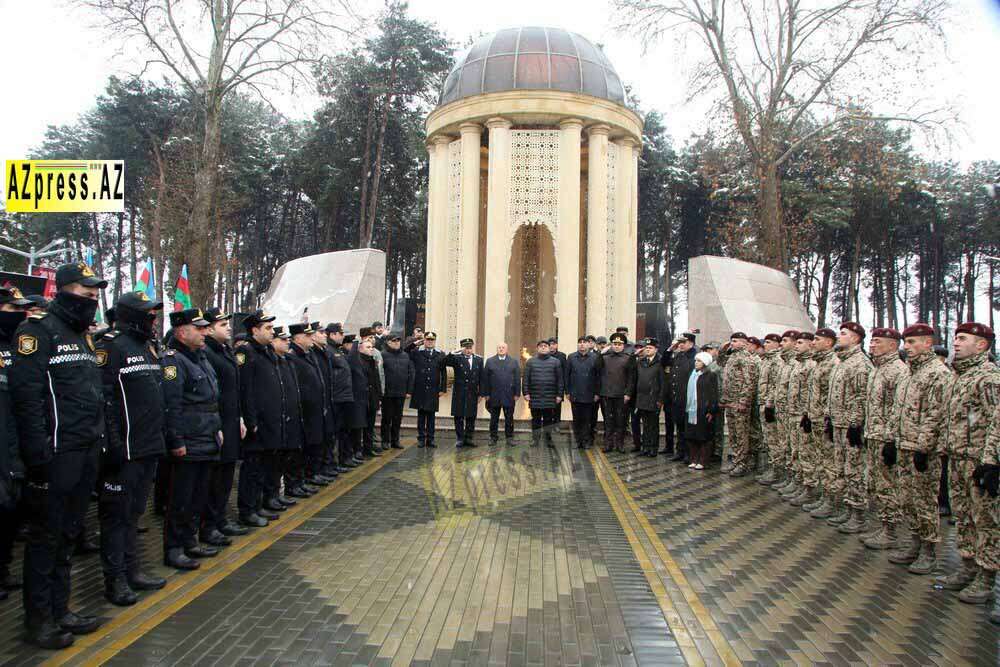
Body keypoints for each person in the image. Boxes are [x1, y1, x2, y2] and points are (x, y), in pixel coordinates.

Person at [12, 262, 108, 648]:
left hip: (85, 450)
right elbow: (26, 398)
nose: (92, 300)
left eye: (95, 295)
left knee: (68, 534)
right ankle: (39, 620)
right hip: (55, 454)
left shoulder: (82, 336)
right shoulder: (37, 332)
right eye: (86, 294)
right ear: (64, 291)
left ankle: (60, 608)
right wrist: (38, 456)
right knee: (45, 538)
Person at [95, 291, 168, 606]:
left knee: (134, 516)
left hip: (148, 447)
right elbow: (104, 399)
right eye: (147, 313)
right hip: (123, 451)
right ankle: (115, 580)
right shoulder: (111, 346)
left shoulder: (146, 347)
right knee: (116, 517)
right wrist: (113, 446)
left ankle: (132, 570)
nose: (153, 319)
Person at [935, 322, 998, 602]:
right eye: (956, 338)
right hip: (957, 457)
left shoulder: (989, 378)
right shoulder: (959, 376)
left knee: (985, 521)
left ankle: (986, 578)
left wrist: (992, 462)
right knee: (963, 517)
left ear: (981, 344)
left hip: (978, 462)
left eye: (963, 338)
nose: (956, 343)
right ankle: (968, 567)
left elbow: (997, 421)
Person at [888, 323, 953, 575]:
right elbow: (898, 410)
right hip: (904, 445)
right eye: (906, 342)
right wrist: (893, 440)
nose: (907, 347)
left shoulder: (938, 373)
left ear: (928, 343)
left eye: (912, 342)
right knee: (908, 499)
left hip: (922, 450)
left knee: (925, 501)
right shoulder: (909, 372)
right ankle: (914, 542)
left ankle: (928, 550)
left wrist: (924, 448)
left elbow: (936, 415)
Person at [161, 308, 222, 571]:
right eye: (199, 328)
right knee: (181, 498)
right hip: (188, 439)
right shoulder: (173, 361)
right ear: (181, 332)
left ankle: (190, 540)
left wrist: (217, 428)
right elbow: (172, 405)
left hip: (206, 436)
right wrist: (176, 440)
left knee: (198, 496)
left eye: (205, 327)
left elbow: (210, 399)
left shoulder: (201, 357)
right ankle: (174, 548)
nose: (205, 332)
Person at [201, 308, 248, 546]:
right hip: (217, 424)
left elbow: (234, 390)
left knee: (226, 476)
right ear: (209, 329)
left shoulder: (224, 350)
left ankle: (220, 519)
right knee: (215, 479)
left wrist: (239, 417)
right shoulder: (207, 353)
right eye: (222, 324)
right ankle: (209, 525)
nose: (228, 327)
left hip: (230, 422)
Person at [859, 328, 908, 548]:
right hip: (874, 435)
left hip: (886, 438)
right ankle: (884, 527)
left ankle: (891, 532)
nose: (872, 345)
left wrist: (891, 440)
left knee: (888, 486)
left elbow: (899, 409)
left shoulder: (898, 370)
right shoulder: (878, 369)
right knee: (878, 485)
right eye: (871, 341)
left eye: (877, 341)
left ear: (892, 345)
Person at [826, 322, 874, 534]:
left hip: (850, 427)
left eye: (843, 334)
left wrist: (855, 424)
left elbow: (861, 397)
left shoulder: (860, 364)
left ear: (855, 338)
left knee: (855, 471)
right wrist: (830, 417)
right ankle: (847, 509)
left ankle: (858, 515)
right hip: (839, 423)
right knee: (842, 468)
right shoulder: (843, 361)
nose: (839, 336)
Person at [236, 310, 280, 528]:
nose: (272, 332)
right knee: (252, 468)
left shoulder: (266, 350)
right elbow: (245, 389)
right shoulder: (245, 351)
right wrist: (250, 420)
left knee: (263, 466)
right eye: (268, 328)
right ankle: (247, 509)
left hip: (269, 420)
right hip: (257, 422)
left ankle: (258, 504)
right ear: (254, 330)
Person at [0, 287, 30, 604]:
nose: (19, 315)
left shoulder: (19, 345)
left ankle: (4, 567)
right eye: (11, 309)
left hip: (16, 443)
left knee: (12, 511)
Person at [802, 329, 839, 519]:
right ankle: (824, 496)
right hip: (815, 418)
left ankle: (830, 500)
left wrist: (828, 419)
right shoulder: (819, 362)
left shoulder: (833, 363)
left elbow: (832, 395)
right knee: (820, 459)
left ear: (829, 342)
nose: (813, 342)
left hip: (825, 421)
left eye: (817, 339)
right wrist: (808, 413)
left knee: (829, 463)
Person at [288, 323, 327, 495]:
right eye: (307, 335)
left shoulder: (308, 354)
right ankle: (295, 482)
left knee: (313, 444)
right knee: (300, 450)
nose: (311, 338)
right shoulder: (293, 357)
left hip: (314, 409)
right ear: (297, 338)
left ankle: (308, 477)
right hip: (303, 411)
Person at [271, 327, 308, 501]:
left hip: (293, 414)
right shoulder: (275, 361)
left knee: (294, 453)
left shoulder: (287, 360)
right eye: (283, 339)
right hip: (280, 417)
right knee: (278, 460)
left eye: (288, 339)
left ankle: (294, 485)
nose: (287, 342)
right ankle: (275, 494)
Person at [781, 333, 814, 504]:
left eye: (800, 343)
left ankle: (808, 488)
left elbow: (812, 392)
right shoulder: (797, 363)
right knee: (795, 450)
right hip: (792, 412)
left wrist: (807, 414)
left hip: (804, 415)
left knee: (805, 453)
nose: (796, 346)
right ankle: (797, 482)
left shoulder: (811, 364)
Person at [721, 332, 759, 476]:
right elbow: (720, 362)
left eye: (736, 341)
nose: (732, 343)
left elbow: (749, 382)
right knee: (733, 434)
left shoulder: (746, 358)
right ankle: (736, 460)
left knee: (741, 434)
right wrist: (723, 349)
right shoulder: (732, 356)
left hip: (739, 402)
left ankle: (742, 463)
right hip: (730, 402)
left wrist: (743, 401)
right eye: (732, 341)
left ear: (744, 343)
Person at [595, 332, 635, 453]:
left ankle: (620, 444)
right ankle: (608, 444)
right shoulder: (605, 357)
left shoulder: (628, 358)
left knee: (621, 421)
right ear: (611, 345)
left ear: (623, 346)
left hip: (621, 395)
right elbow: (596, 368)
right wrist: (600, 353)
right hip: (607, 394)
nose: (617, 346)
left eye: (619, 344)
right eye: (615, 344)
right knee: (608, 421)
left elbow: (631, 378)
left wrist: (628, 393)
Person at [771, 331, 800, 494]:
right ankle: (788, 478)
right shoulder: (785, 362)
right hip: (783, 411)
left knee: (795, 449)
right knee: (785, 446)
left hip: (796, 413)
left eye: (785, 341)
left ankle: (797, 482)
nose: (781, 344)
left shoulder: (797, 363)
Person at [407, 331, 447, 448]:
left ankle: (430, 439)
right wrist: (415, 343)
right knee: (421, 416)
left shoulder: (440, 354)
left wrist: (442, 388)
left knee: (431, 416)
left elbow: (443, 373)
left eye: (432, 340)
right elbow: (405, 351)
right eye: (428, 340)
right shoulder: (417, 352)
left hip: (433, 389)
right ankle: (421, 438)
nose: (430, 342)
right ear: (424, 340)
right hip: (420, 388)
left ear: (435, 341)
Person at [522, 340, 564, 448]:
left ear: (549, 348)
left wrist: (559, 395)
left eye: (545, 346)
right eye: (541, 346)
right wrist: (525, 393)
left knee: (548, 421)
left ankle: (548, 439)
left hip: (550, 396)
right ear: (537, 348)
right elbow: (526, 379)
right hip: (535, 396)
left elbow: (560, 380)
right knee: (535, 420)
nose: (543, 347)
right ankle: (535, 439)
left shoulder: (556, 362)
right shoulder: (530, 362)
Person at [324, 324, 355, 470]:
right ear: (332, 334)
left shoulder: (337, 350)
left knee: (344, 430)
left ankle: (344, 458)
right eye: (340, 333)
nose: (343, 336)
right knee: (336, 432)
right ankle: (335, 462)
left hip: (344, 396)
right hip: (337, 397)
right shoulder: (329, 350)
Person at [444, 338, 484, 448]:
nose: (468, 350)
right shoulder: (457, 358)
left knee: (471, 416)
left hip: (472, 392)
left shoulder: (479, 359)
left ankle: (469, 438)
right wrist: (454, 352)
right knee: (459, 416)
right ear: (462, 348)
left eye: (470, 347)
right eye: (466, 348)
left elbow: (481, 377)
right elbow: (444, 362)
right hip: (459, 392)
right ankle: (460, 438)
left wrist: (481, 393)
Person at [756, 333, 783, 485]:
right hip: (763, 402)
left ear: (776, 344)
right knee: (768, 439)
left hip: (769, 405)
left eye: (768, 342)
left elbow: (775, 384)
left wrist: (769, 403)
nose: (765, 345)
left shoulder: (777, 360)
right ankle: (772, 469)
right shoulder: (766, 360)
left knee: (773, 440)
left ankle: (777, 471)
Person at [685, 352, 720, 470]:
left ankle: (703, 460)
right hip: (692, 409)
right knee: (692, 435)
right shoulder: (693, 375)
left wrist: (711, 410)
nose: (696, 363)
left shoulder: (710, 375)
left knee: (704, 436)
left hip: (703, 409)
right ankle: (694, 459)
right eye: (696, 360)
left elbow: (713, 393)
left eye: (699, 361)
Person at [380, 332, 414, 450]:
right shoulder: (383, 355)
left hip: (400, 392)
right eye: (394, 341)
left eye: (398, 340)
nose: (396, 343)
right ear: (388, 342)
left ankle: (395, 440)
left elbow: (410, 373)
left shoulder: (405, 355)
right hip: (387, 392)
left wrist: (409, 390)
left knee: (397, 418)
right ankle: (385, 440)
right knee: (386, 417)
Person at [482, 342, 521, 445]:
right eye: (499, 347)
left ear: (507, 349)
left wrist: (517, 393)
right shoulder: (490, 361)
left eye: (503, 347)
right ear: (497, 349)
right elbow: (485, 379)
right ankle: (493, 437)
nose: (501, 349)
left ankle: (509, 438)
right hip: (494, 395)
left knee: (509, 418)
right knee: (494, 418)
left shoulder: (513, 362)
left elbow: (517, 379)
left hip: (509, 395)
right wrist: (486, 394)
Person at [667, 332, 697, 462]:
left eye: (684, 342)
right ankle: (680, 451)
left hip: (688, 398)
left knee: (688, 428)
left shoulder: (695, 357)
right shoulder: (679, 355)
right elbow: (665, 362)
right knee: (679, 426)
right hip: (677, 397)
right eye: (680, 342)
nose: (681, 345)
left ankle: (689, 454)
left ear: (691, 343)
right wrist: (670, 349)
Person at [564, 337, 599, 450]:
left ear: (589, 345)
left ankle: (586, 441)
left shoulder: (595, 357)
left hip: (589, 394)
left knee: (587, 419)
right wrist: (567, 391)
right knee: (577, 419)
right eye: (580, 343)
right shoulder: (571, 357)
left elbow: (598, 376)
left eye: (584, 342)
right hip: (575, 394)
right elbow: (567, 376)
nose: (582, 344)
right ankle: (577, 441)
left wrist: (597, 393)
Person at [633, 338, 665, 457]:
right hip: (642, 398)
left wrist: (661, 399)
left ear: (656, 349)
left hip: (654, 398)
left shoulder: (660, 362)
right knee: (645, 425)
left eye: (650, 348)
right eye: (646, 348)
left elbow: (663, 383)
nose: (647, 350)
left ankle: (653, 448)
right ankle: (645, 447)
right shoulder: (641, 362)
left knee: (653, 425)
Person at [345, 338, 375, 459]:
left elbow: (375, 380)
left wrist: (377, 396)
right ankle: (357, 450)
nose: (371, 349)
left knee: (369, 425)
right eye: (368, 347)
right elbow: (351, 358)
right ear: (360, 349)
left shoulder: (372, 361)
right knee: (358, 426)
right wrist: (356, 341)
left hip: (370, 397)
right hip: (359, 398)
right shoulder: (356, 361)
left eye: (372, 347)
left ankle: (368, 448)